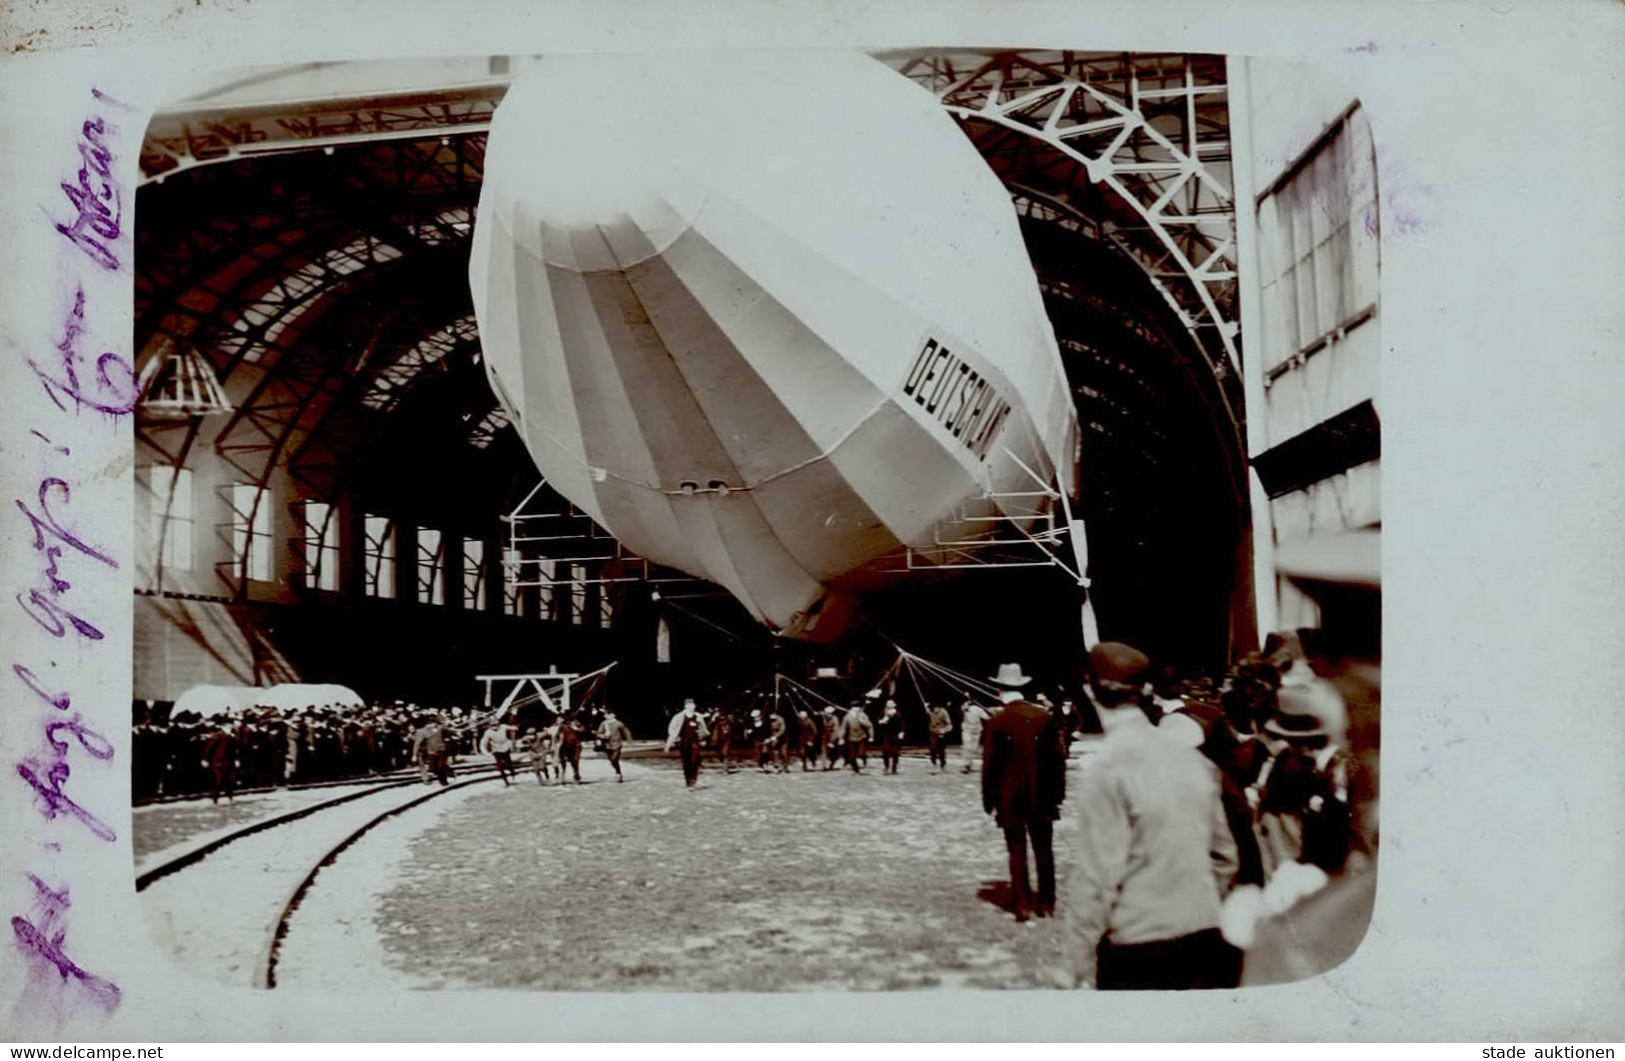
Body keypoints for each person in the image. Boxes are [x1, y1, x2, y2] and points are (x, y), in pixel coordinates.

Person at [1061, 642, 1240, 990]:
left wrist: (1073, 963)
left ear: (1088, 689)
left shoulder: (1108, 769)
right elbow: (1225, 856)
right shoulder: (1194, 760)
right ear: (1144, 690)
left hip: (1138, 945)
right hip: (1206, 937)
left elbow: (1097, 879)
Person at [981, 663, 1066, 923]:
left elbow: (990, 765)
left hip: (1011, 797)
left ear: (999, 689)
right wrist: (1058, 795)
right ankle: (1047, 903)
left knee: (1016, 851)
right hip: (1044, 795)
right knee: (1044, 850)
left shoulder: (997, 721)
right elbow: (1057, 760)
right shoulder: (1044, 718)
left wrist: (989, 799)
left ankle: (1022, 904)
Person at [665, 698, 710, 788]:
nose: (693, 706)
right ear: (686, 706)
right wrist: (670, 742)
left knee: (695, 760)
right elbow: (672, 729)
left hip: (695, 742)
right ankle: (688, 780)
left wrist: (703, 738)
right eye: (690, 705)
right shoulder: (679, 717)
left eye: (693, 705)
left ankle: (693, 779)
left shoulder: (698, 716)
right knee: (687, 762)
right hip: (684, 742)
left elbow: (703, 729)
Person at [411, 714, 453, 786]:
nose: (433, 724)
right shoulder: (421, 731)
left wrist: (451, 736)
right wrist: (414, 755)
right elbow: (417, 744)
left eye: (434, 722)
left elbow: (449, 732)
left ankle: (443, 779)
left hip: (440, 750)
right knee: (431, 767)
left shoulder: (441, 728)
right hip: (428, 751)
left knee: (440, 766)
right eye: (430, 723)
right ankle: (428, 778)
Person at [596, 709, 633, 782]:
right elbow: (599, 733)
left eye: (607, 714)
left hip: (617, 744)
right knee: (612, 760)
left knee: (614, 759)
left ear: (612, 715)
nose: (605, 716)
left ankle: (618, 774)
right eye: (605, 714)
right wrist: (604, 736)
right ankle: (618, 772)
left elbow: (626, 732)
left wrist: (629, 741)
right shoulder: (603, 724)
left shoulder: (618, 724)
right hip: (608, 745)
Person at [480, 718, 517, 786]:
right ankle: (506, 781)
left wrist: (514, 728)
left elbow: (511, 727)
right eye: (492, 726)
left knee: (508, 763)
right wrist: (486, 753)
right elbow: (483, 743)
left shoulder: (503, 727)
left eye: (496, 725)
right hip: (496, 750)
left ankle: (512, 774)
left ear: (499, 725)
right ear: (490, 726)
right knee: (500, 766)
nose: (494, 727)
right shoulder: (488, 732)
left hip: (505, 748)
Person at [840, 701, 873, 772]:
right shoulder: (847, 717)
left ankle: (864, 761)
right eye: (854, 708)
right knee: (852, 757)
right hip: (851, 738)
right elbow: (843, 728)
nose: (856, 709)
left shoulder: (863, 716)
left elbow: (869, 726)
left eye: (857, 708)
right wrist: (841, 738)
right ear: (851, 709)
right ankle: (856, 770)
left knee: (861, 753)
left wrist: (871, 736)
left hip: (861, 737)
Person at [960, 698, 989, 774]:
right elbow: (962, 710)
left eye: (966, 703)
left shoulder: (977, 709)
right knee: (967, 748)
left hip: (976, 731)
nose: (964, 705)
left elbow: (986, 717)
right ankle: (965, 765)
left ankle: (969, 765)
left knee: (973, 749)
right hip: (967, 730)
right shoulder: (963, 708)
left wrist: (986, 711)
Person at [556, 713, 585, 784]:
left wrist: (576, 728)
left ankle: (576, 775)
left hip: (576, 745)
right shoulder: (562, 726)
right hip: (566, 746)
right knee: (563, 761)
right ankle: (562, 776)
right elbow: (558, 735)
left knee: (575, 760)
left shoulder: (576, 723)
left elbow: (583, 730)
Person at [877, 701, 905, 774]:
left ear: (894, 705)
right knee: (885, 752)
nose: (889, 706)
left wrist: (901, 732)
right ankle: (886, 767)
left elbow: (901, 723)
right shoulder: (883, 713)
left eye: (891, 704)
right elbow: (878, 721)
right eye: (888, 704)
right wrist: (882, 721)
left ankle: (894, 768)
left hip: (895, 735)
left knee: (895, 753)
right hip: (886, 735)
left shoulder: (897, 713)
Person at [926, 702, 953, 772]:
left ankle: (942, 765)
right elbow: (929, 716)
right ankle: (934, 764)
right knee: (933, 748)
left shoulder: (943, 712)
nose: (935, 710)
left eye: (936, 708)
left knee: (941, 750)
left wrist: (944, 730)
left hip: (941, 733)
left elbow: (949, 725)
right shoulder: (930, 711)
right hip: (933, 732)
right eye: (933, 709)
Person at [710, 708, 735, 774]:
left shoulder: (728, 719)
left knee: (725, 753)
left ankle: (725, 769)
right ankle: (724, 765)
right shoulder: (715, 720)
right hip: (718, 739)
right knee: (720, 754)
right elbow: (709, 726)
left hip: (727, 739)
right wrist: (713, 718)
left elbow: (734, 725)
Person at [820, 705, 842, 770]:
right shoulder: (824, 716)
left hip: (832, 737)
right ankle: (824, 766)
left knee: (833, 753)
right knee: (823, 751)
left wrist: (831, 742)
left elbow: (836, 730)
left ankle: (831, 764)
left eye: (827, 713)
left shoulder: (835, 719)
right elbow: (820, 713)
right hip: (825, 737)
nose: (826, 714)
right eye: (825, 712)